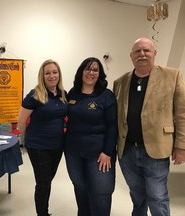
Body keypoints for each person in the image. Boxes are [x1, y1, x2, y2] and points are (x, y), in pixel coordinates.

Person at [113, 37, 185, 216]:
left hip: (156, 149)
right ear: (131, 56)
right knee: (137, 195)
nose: (142, 54)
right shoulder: (120, 82)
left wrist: (181, 145)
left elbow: (182, 113)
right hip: (127, 150)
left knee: (157, 196)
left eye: (146, 50)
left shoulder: (172, 75)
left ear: (154, 53)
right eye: (137, 51)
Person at [65, 57, 117, 216]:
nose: (91, 73)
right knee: (80, 189)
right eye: (87, 69)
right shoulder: (73, 93)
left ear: (99, 74)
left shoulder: (106, 95)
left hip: (99, 154)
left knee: (101, 192)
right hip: (74, 152)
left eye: (95, 70)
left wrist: (108, 152)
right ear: (81, 72)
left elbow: (113, 125)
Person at [17, 59, 68, 216]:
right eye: (47, 73)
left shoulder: (63, 95)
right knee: (43, 182)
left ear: (59, 74)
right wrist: (24, 141)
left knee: (48, 179)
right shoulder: (34, 95)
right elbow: (21, 120)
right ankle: (42, 213)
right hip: (38, 145)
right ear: (42, 76)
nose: (51, 76)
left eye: (54, 72)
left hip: (57, 145)